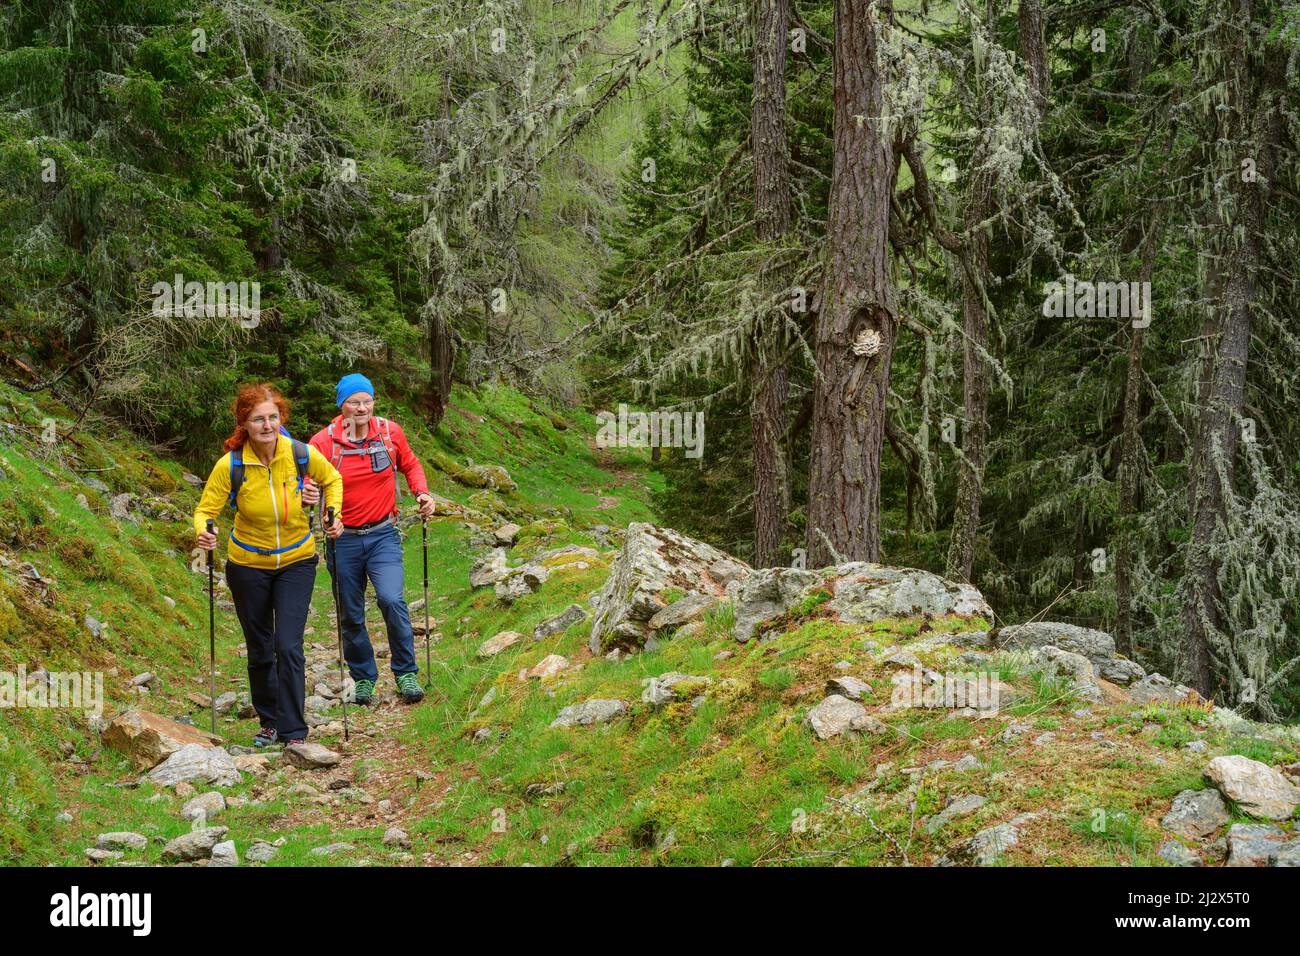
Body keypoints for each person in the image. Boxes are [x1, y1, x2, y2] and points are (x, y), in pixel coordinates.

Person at [193, 382, 343, 748]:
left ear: (281, 418)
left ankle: (294, 731)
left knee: (288, 645)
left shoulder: (300, 454)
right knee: (260, 647)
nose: (267, 425)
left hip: (296, 560)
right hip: (247, 565)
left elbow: (332, 479)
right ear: (244, 423)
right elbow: (205, 510)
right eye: (258, 419)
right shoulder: (231, 464)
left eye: (273, 417)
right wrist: (204, 532)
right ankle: (269, 721)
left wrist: (330, 513)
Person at [301, 373, 436, 705]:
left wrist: (422, 494)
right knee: (350, 611)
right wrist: (306, 492)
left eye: (366, 401)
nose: (361, 408)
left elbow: (411, 465)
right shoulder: (322, 443)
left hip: (383, 534)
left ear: (373, 402)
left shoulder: (389, 433)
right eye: (353, 402)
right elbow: (303, 483)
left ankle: (406, 672)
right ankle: (363, 678)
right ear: (341, 406)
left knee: (392, 599)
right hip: (342, 539)